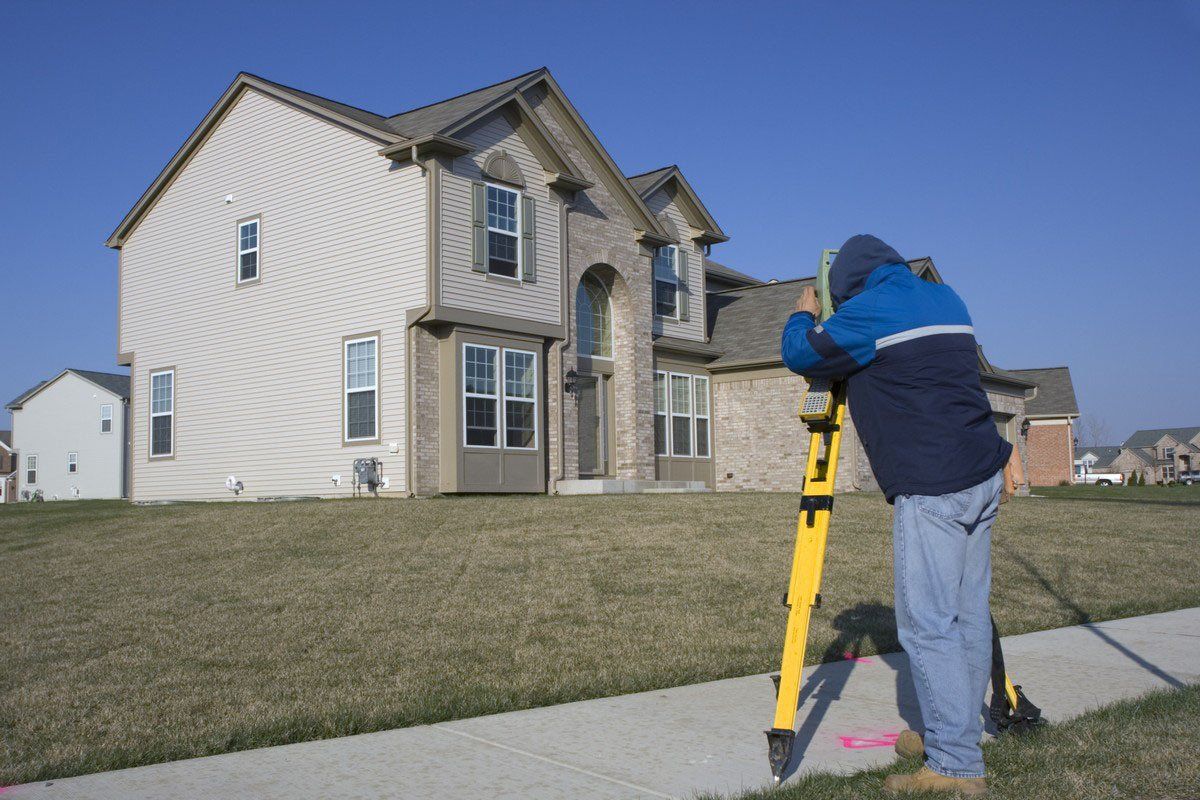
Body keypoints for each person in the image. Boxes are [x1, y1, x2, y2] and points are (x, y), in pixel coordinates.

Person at [781, 234, 1013, 796]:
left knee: (928, 626)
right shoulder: (946, 298)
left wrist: (802, 316)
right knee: (967, 615)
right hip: (982, 473)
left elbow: (803, 354)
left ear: (848, 286)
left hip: (933, 486)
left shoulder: (868, 311)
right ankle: (952, 733)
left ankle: (955, 768)